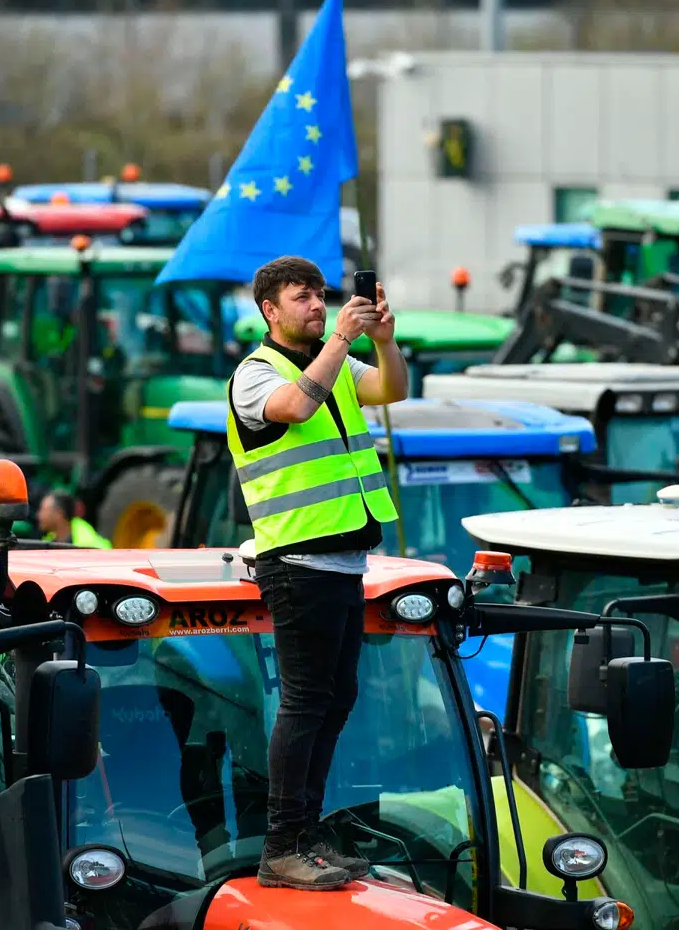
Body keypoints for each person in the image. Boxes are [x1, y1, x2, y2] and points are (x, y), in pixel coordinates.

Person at [227, 255, 408, 890]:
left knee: (337, 698)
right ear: (270, 311)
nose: (317, 304)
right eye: (302, 297)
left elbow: (393, 391)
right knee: (305, 701)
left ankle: (306, 834)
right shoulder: (254, 374)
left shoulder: (335, 361)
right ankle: (282, 845)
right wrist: (341, 340)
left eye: (321, 295)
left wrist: (384, 343)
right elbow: (297, 409)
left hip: (341, 560)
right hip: (296, 561)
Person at [37, 492, 112, 548]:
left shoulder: (89, 546)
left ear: (59, 513)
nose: (38, 515)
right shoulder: (49, 541)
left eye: (43, 510)